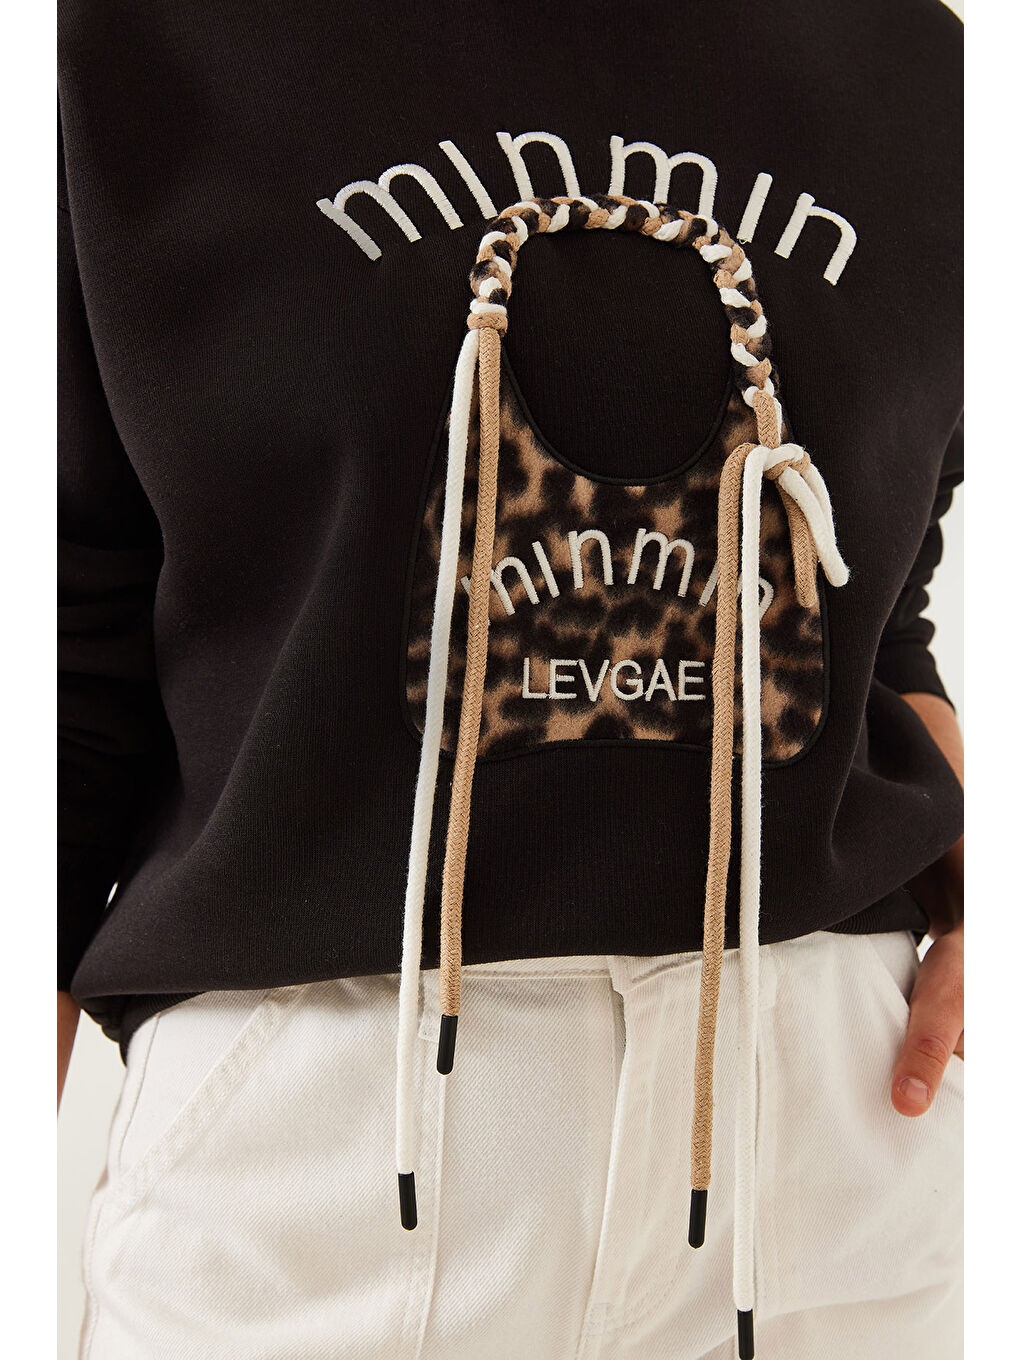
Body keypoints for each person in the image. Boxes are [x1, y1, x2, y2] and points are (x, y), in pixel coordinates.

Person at [58, 1, 963, 1357]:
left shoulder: (913, 58)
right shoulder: (134, 51)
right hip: (328, 1141)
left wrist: (974, 888)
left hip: (830, 1129)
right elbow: (63, 679)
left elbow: (882, 603)